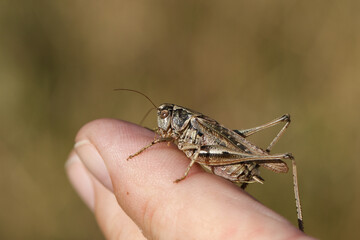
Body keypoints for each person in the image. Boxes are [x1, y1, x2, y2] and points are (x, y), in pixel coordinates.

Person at [66, 119, 314, 239]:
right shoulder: (176, 131)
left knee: (285, 155)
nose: (162, 120)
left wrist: (185, 173)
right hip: (215, 156)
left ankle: (299, 225)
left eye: (166, 115)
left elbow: (196, 150)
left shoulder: (192, 125)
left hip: (224, 155)